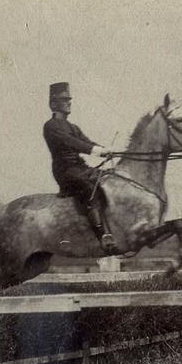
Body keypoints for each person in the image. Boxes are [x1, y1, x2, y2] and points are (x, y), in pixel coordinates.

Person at [43, 82, 118, 254]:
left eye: (69, 99)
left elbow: (86, 141)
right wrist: (98, 151)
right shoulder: (51, 126)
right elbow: (73, 143)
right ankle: (102, 235)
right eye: (64, 100)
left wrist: (106, 149)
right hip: (66, 171)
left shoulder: (73, 126)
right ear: (54, 104)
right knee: (88, 188)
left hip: (80, 167)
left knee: (108, 179)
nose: (69, 102)